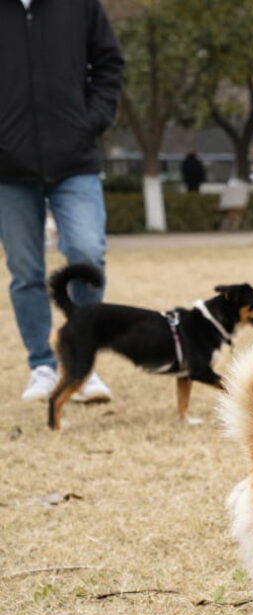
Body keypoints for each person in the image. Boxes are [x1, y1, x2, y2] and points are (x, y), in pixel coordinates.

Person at [1, 0, 124, 404]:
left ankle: (82, 366)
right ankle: (42, 365)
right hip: (8, 169)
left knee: (88, 253)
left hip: (75, 160)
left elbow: (108, 64)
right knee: (25, 270)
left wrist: (89, 122)